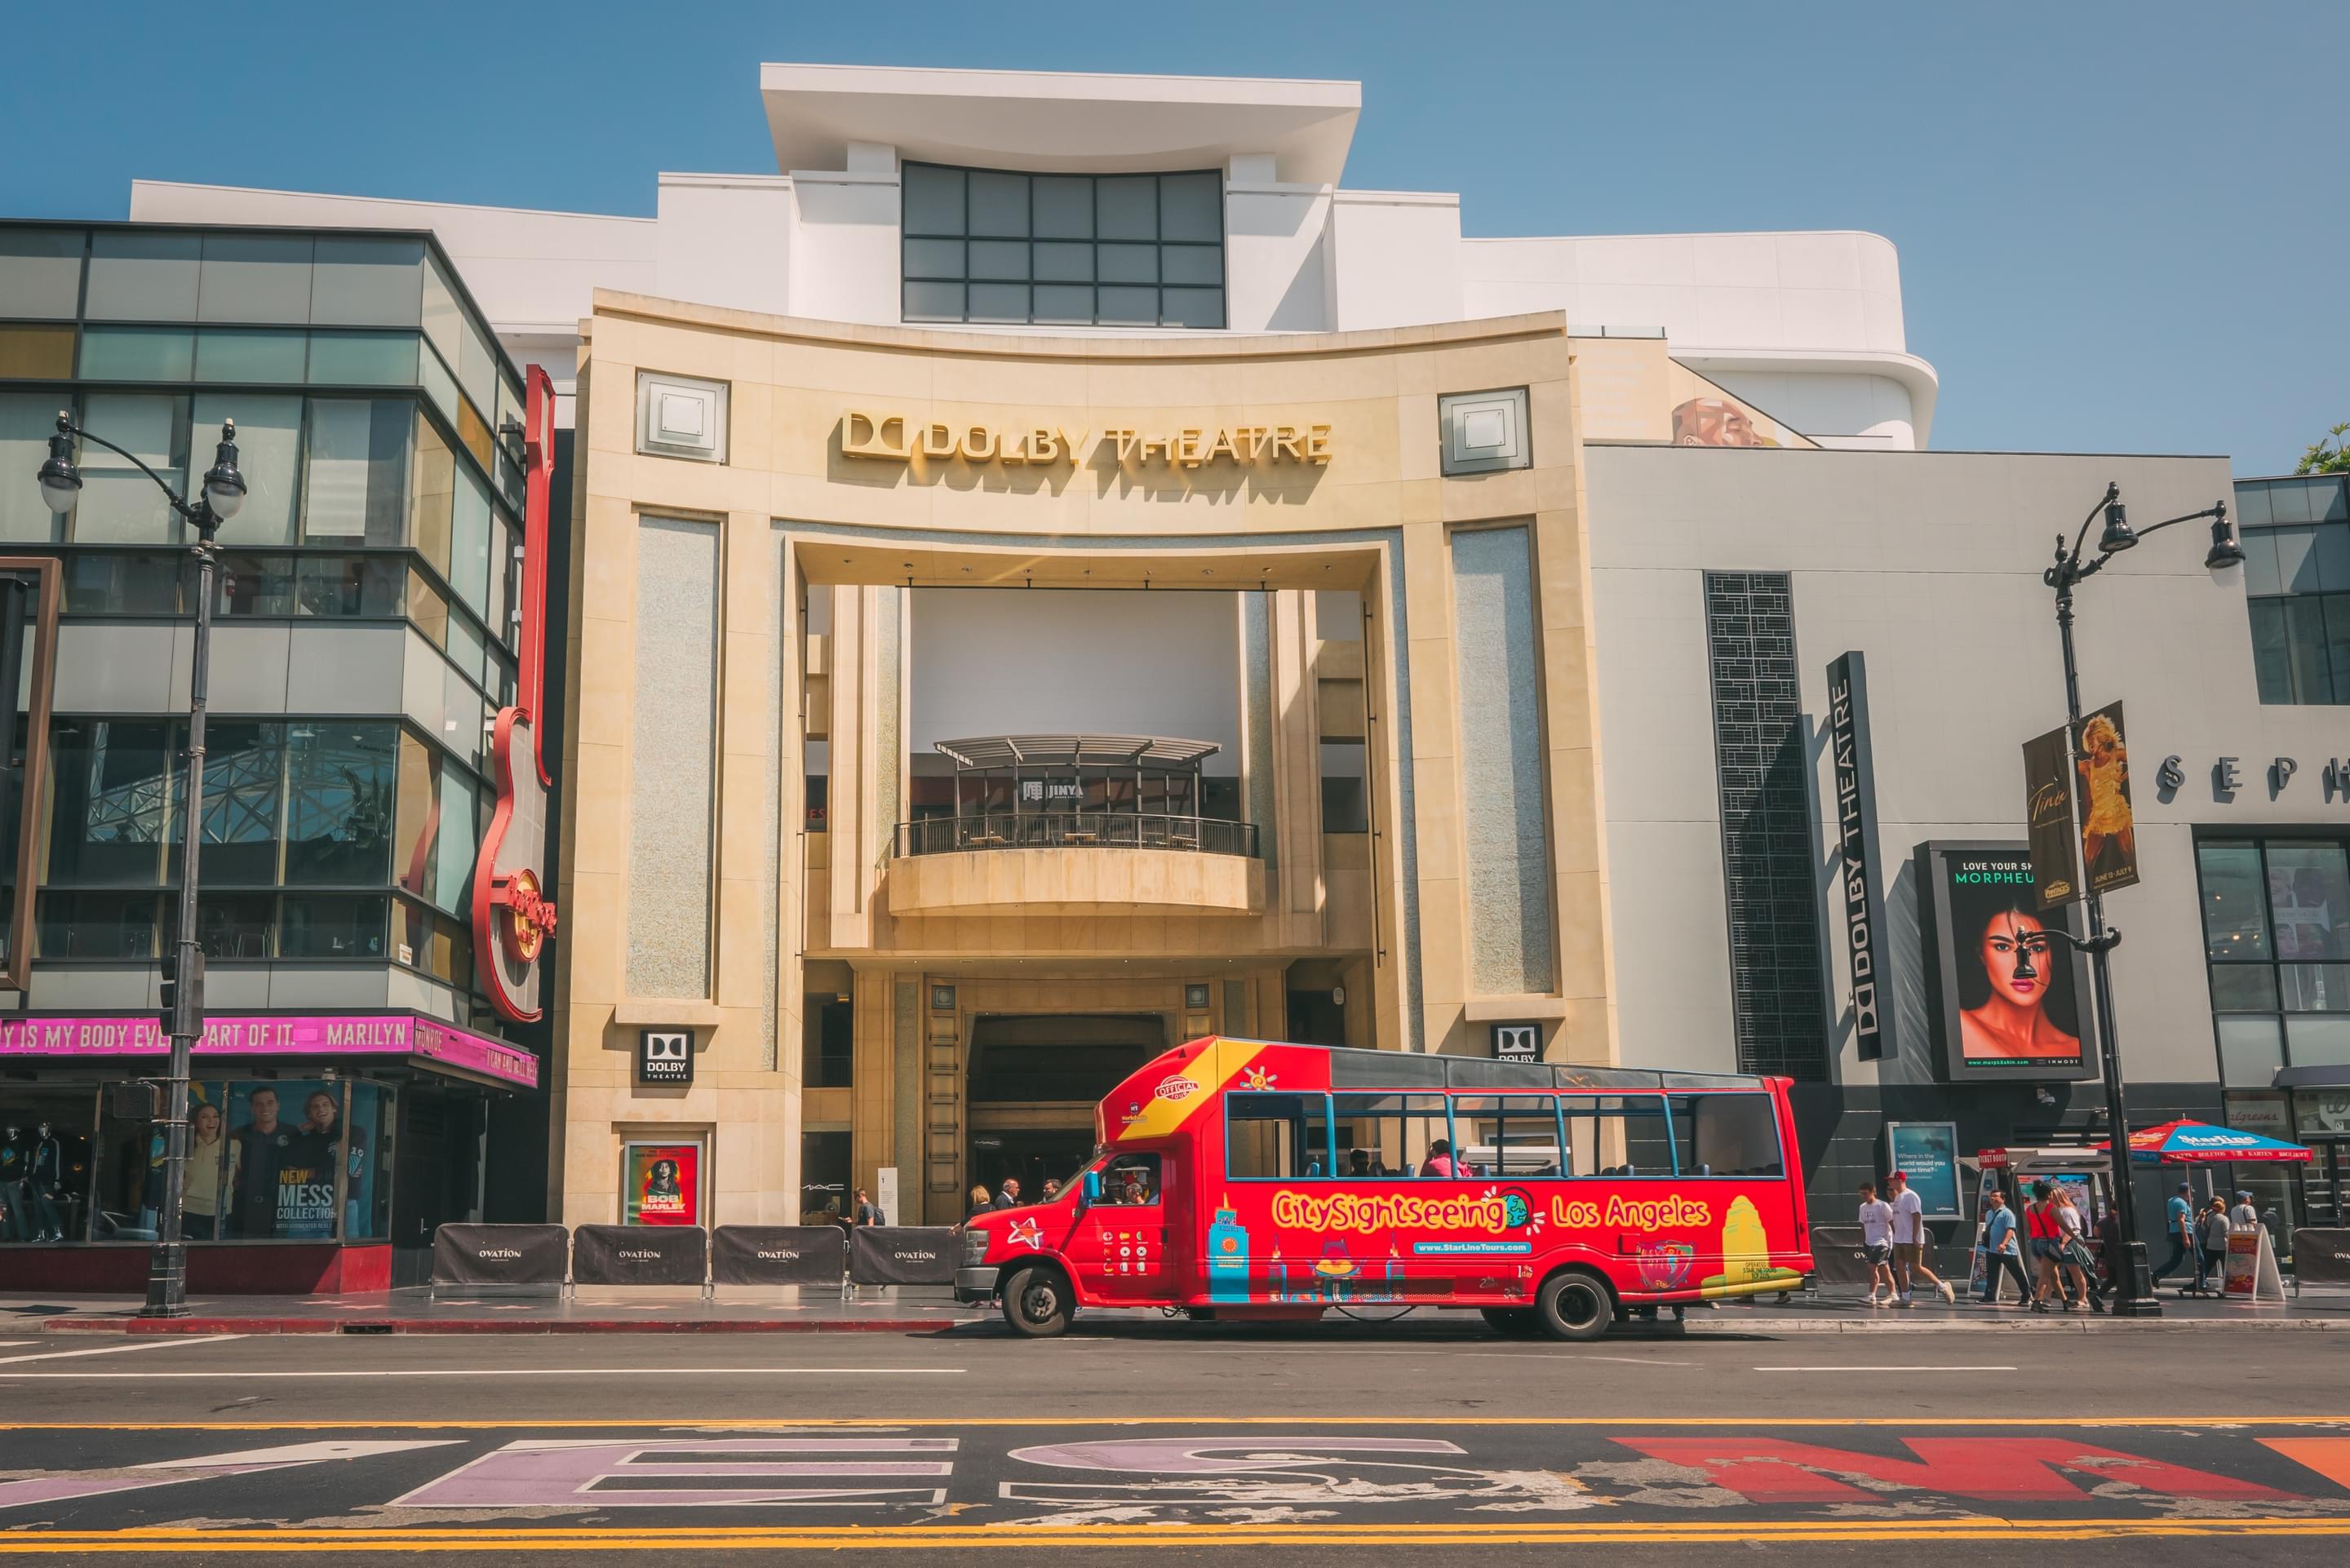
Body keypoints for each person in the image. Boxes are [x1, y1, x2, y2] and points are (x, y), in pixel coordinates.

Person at [1958, 909, 2082, 1061]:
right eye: (2002, 947)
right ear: (1982, 954)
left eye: (2036, 948)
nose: (2021, 962)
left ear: (2053, 954)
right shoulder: (1961, 1026)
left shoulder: (2076, 1048)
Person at [2076, 713, 2134, 882]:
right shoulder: (2089, 765)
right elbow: (2067, 768)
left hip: (2116, 809)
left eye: (2091, 742)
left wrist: (2124, 777)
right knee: (2087, 858)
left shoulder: (2116, 754)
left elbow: (2139, 760)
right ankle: (2089, 887)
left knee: (2128, 854)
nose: (2090, 747)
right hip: (2099, 814)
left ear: (2099, 738)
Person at [1887, 1171, 1956, 1305]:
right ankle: (1905, 1298)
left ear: (1899, 1180)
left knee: (1916, 1268)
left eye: (1891, 1180)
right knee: (1899, 1266)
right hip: (1899, 1239)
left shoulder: (1911, 1196)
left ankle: (1943, 1286)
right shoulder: (1897, 1198)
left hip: (1911, 1239)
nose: (1889, 1183)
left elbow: (1917, 1216)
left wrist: (1914, 1237)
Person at [2051, 1185, 2104, 1313]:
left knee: (2075, 1272)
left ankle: (2083, 1298)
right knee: (2054, 1272)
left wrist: (2063, 1243)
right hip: (2061, 1244)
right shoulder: (2058, 1210)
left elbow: (2073, 1230)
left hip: (2069, 1245)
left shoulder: (2067, 1211)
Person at [1975, 1189, 2032, 1305]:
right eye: (1991, 1196)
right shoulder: (1989, 1213)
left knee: (2017, 1273)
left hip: (2007, 1250)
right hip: (1992, 1249)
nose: (1993, 1198)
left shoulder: (2007, 1213)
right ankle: (1989, 1297)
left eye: (1996, 1196)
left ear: (2003, 1199)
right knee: (1992, 1274)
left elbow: (2010, 1230)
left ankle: (2026, 1296)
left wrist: (2004, 1243)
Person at [182, 1103, 225, 1242]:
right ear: (196, 1121)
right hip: (189, 1210)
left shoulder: (234, 1144)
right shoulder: (185, 1144)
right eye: (205, 1117)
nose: (212, 1121)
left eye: (215, 1116)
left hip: (219, 1212)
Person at [2024, 1180, 2064, 1312]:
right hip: (2049, 1243)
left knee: (2053, 1273)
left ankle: (2066, 1301)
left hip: (2035, 1242)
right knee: (2045, 1274)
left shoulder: (2030, 1208)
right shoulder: (2051, 1208)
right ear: (2048, 1194)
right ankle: (2037, 1301)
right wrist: (2075, 1238)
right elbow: (2063, 1225)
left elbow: (2028, 1228)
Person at [1857, 1180, 1897, 1307]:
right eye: (1861, 1194)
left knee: (1872, 1266)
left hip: (1883, 1242)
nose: (1863, 1196)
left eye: (1865, 1193)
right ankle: (1893, 1294)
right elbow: (1863, 1225)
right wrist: (1864, 1241)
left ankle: (1871, 1295)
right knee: (1884, 1268)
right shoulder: (1862, 1207)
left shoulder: (1882, 1205)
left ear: (1872, 1192)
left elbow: (1892, 1222)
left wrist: (1896, 1239)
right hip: (1870, 1242)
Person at [2155, 1180, 2196, 1285]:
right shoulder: (2182, 1203)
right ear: (2187, 1192)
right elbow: (2181, 1219)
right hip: (2186, 1230)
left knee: (2177, 1259)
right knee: (2199, 1256)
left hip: (2174, 1231)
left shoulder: (2171, 1200)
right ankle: (2201, 1281)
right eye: (2190, 1193)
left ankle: (2157, 1275)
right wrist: (2186, 1237)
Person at [2198, 1195, 2232, 1291]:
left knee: (2208, 1265)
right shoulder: (2223, 1219)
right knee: (2226, 1266)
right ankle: (2228, 1284)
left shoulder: (2210, 1217)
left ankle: (2201, 1281)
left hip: (2211, 1244)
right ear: (2223, 1208)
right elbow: (2226, 1233)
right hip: (2222, 1246)